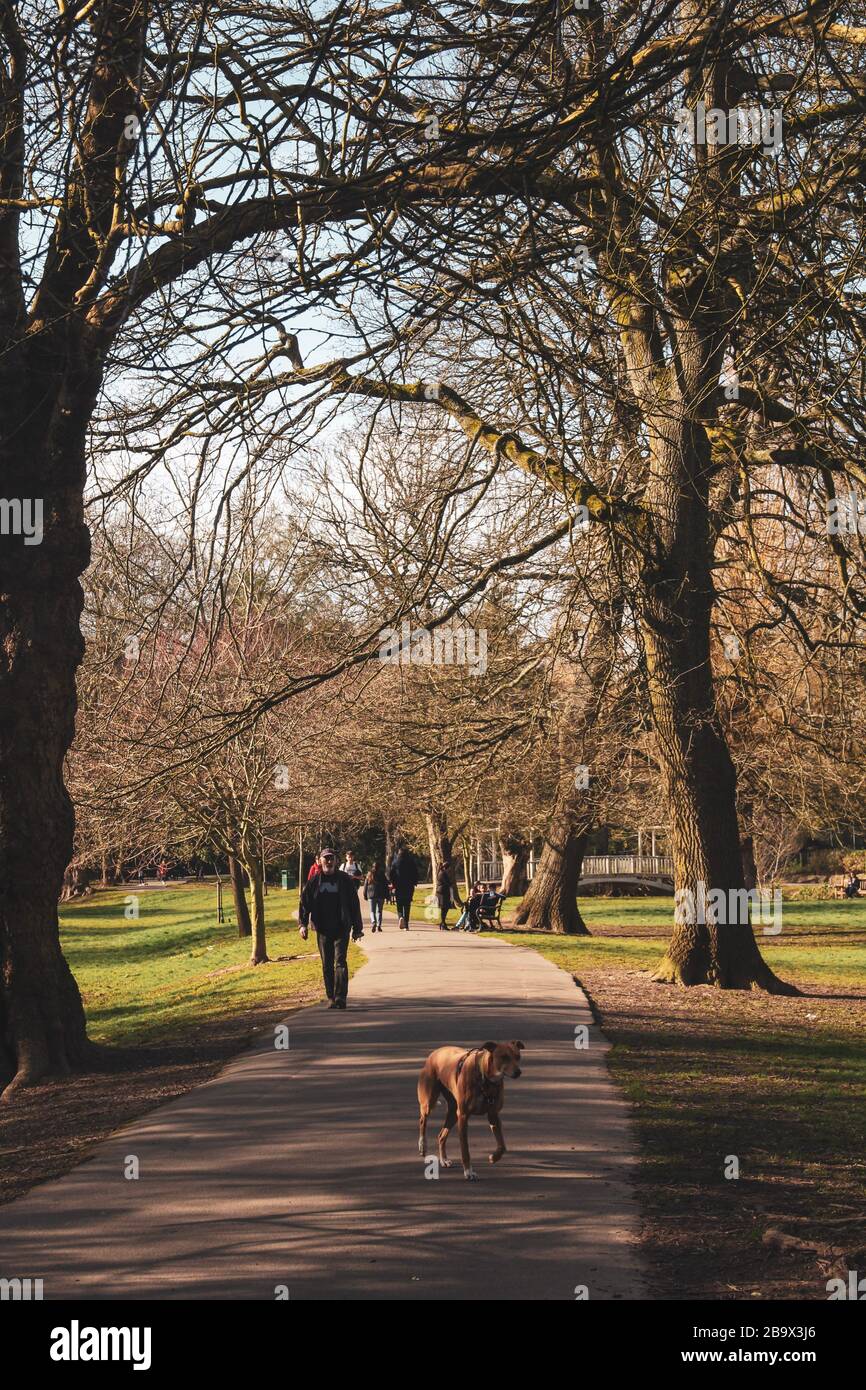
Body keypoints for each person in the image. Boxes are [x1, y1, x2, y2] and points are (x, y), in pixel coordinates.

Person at [299, 848, 363, 1009]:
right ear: (319, 861)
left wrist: (357, 928)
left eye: (331, 858)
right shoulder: (314, 881)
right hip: (322, 929)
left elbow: (354, 904)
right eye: (325, 858)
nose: (328, 861)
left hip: (342, 927)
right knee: (327, 964)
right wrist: (302, 925)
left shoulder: (345, 880)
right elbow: (304, 903)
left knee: (340, 961)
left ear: (335, 860)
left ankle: (341, 997)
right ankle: (331, 997)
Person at [389, 844, 419, 931]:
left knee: (399, 904)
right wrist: (414, 882)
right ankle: (406, 923)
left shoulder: (395, 862)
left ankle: (400, 916)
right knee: (407, 905)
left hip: (398, 886)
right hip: (409, 887)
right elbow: (415, 873)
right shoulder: (411, 861)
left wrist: (393, 883)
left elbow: (391, 874)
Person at [363, 861, 389, 932]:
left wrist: (365, 894)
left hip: (371, 895)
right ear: (379, 867)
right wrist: (387, 896)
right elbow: (386, 886)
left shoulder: (369, 874)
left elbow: (366, 885)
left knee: (372, 911)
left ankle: (373, 922)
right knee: (379, 911)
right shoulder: (382, 874)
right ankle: (379, 925)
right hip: (381, 895)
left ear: (372, 866)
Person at [435, 859, 459, 931]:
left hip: (443, 892)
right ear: (446, 867)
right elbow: (447, 883)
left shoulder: (441, 872)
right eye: (449, 868)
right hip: (443, 892)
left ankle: (443, 923)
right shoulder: (442, 873)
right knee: (444, 908)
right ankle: (443, 923)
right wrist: (451, 883)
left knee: (445, 908)